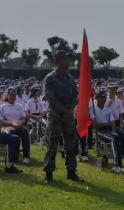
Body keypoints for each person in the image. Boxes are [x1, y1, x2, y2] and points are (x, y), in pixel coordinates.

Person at [42, 50, 82, 183]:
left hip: (68, 116)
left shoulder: (70, 78)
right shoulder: (49, 78)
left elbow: (75, 96)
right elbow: (50, 99)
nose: (68, 62)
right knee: (52, 145)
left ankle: (71, 172)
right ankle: (48, 174)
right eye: (65, 59)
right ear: (57, 61)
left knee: (71, 144)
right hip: (55, 116)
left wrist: (70, 111)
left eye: (68, 59)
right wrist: (65, 111)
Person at [90, 90, 124, 172]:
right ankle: (117, 165)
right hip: (101, 131)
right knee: (114, 137)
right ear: (97, 99)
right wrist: (107, 124)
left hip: (111, 130)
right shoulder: (94, 111)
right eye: (102, 98)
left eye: (105, 97)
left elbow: (113, 124)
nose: (104, 99)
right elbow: (95, 126)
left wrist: (110, 129)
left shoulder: (108, 110)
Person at [0, 88, 30, 164]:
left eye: (14, 95)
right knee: (11, 133)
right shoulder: (2, 107)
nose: (13, 97)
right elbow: (1, 120)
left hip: (18, 125)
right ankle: (13, 156)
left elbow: (23, 118)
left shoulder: (19, 106)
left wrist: (20, 123)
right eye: (11, 95)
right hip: (7, 126)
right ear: (8, 96)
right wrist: (11, 124)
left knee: (25, 131)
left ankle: (26, 156)